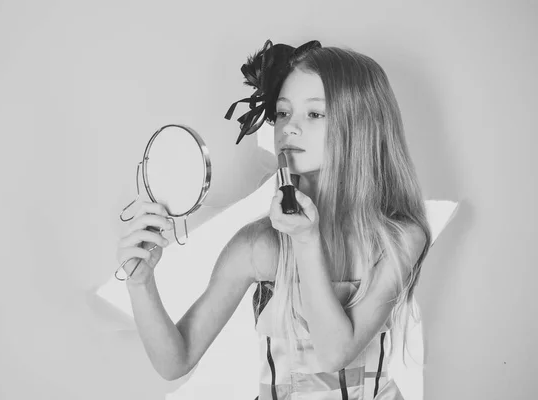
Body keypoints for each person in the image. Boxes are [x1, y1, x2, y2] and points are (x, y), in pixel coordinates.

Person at [116, 39, 431, 400]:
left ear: (362, 125)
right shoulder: (258, 246)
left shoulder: (399, 238)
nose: (289, 128)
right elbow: (176, 360)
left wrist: (306, 241)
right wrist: (140, 284)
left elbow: (334, 353)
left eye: (314, 114)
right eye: (282, 113)